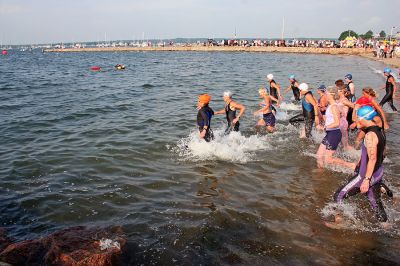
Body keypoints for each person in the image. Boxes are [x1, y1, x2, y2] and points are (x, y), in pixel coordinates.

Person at [333, 105, 390, 227]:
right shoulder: (380, 130)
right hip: (378, 172)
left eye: (357, 119)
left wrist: (366, 180)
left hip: (365, 175)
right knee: (375, 202)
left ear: (364, 118)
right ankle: (386, 227)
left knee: (338, 195)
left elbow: (373, 158)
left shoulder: (369, 135)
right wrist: (361, 160)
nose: (356, 121)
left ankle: (339, 222)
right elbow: (380, 153)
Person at [316, 86, 356, 169]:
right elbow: (329, 118)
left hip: (334, 134)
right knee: (319, 155)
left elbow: (337, 123)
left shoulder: (334, 107)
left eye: (326, 94)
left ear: (331, 95)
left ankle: (351, 165)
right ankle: (320, 173)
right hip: (329, 133)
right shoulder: (331, 106)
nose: (325, 95)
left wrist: (324, 127)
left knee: (328, 159)